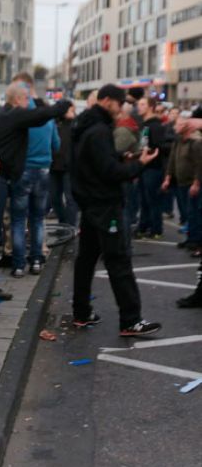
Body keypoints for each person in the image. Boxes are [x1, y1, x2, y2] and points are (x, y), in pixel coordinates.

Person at [71, 84, 161, 337]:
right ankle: (130, 320)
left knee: (86, 259)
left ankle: (81, 312)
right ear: (108, 100)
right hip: (104, 203)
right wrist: (138, 165)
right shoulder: (99, 131)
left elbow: (95, 164)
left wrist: (121, 160)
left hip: (90, 202)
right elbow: (110, 173)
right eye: (120, 104)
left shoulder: (83, 126)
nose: (121, 109)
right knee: (118, 260)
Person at [0, 83, 71, 299]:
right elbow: (42, 115)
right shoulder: (13, 114)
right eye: (27, 100)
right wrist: (63, 105)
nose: (29, 104)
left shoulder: (2, 115)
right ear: (17, 100)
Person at [10, 74, 63, 277]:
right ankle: (37, 261)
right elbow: (56, 145)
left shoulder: (19, 115)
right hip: (43, 170)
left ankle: (18, 264)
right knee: (38, 218)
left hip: (23, 169)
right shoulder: (46, 117)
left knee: (18, 219)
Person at [162, 118, 202, 254]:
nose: (175, 127)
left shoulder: (196, 143)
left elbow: (199, 165)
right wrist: (168, 177)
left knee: (194, 212)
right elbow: (172, 159)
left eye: (179, 125)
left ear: (188, 127)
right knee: (186, 213)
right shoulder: (178, 141)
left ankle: (196, 241)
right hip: (180, 181)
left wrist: (197, 183)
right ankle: (191, 238)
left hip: (192, 182)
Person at [136, 96, 171, 239]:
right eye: (139, 104)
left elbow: (160, 147)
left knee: (154, 200)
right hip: (144, 167)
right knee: (144, 200)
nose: (139, 107)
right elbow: (143, 144)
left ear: (150, 107)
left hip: (154, 168)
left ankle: (157, 229)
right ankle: (143, 227)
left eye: (142, 104)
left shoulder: (155, 126)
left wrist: (150, 150)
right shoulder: (145, 125)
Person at [50, 105, 78, 227]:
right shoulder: (54, 123)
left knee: (70, 199)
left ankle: (71, 226)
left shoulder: (75, 124)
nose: (70, 112)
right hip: (54, 166)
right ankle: (63, 222)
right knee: (54, 199)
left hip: (69, 167)